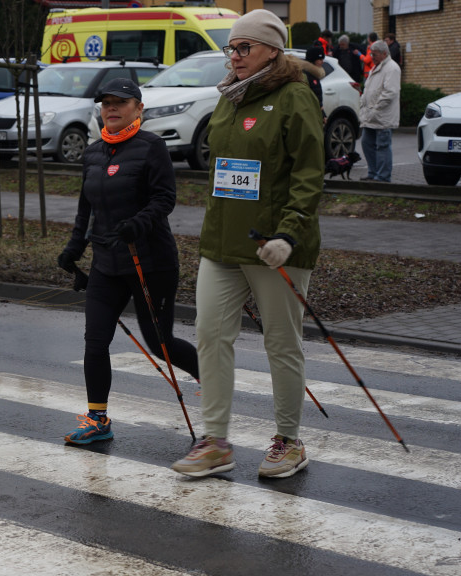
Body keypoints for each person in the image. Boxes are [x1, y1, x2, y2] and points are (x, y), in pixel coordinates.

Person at [170, 9, 324, 479]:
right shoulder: (228, 98)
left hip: (275, 246)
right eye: (230, 48)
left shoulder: (296, 98)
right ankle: (214, 441)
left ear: (272, 51)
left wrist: (288, 233)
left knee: (281, 342)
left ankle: (288, 441)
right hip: (222, 242)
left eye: (244, 48)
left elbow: (309, 175)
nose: (233, 56)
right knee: (211, 336)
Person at [57, 77, 198, 445]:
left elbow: (165, 198)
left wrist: (139, 222)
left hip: (150, 262)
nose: (112, 108)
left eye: (120, 102)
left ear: (138, 108)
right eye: (106, 103)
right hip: (107, 264)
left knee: (160, 343)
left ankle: (212, 382)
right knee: (95, 342)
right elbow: (86, 211)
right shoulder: (92, 152)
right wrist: (74, 250)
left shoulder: (152, 147)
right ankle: (97, 419)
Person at [359, 40, 401, 183]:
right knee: (366, 142)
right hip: (371, 115)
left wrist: (375, 108)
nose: (372, 56)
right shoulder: (375, 68)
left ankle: (382, 177)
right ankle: (373, 172)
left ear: (384, 53)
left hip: (383, 116)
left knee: (382, 146)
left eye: (374, 54)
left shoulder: (392, 68)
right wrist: (363, 104)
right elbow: (368, 90)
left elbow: (390, 93)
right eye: (371, 54)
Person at [300, 44, 326, 119]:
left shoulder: (313, 74)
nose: (322, 62)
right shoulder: (309, 76)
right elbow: (315, 98)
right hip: (309, 114)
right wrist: (322, 114)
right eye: (320, 59)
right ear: (313, 60)